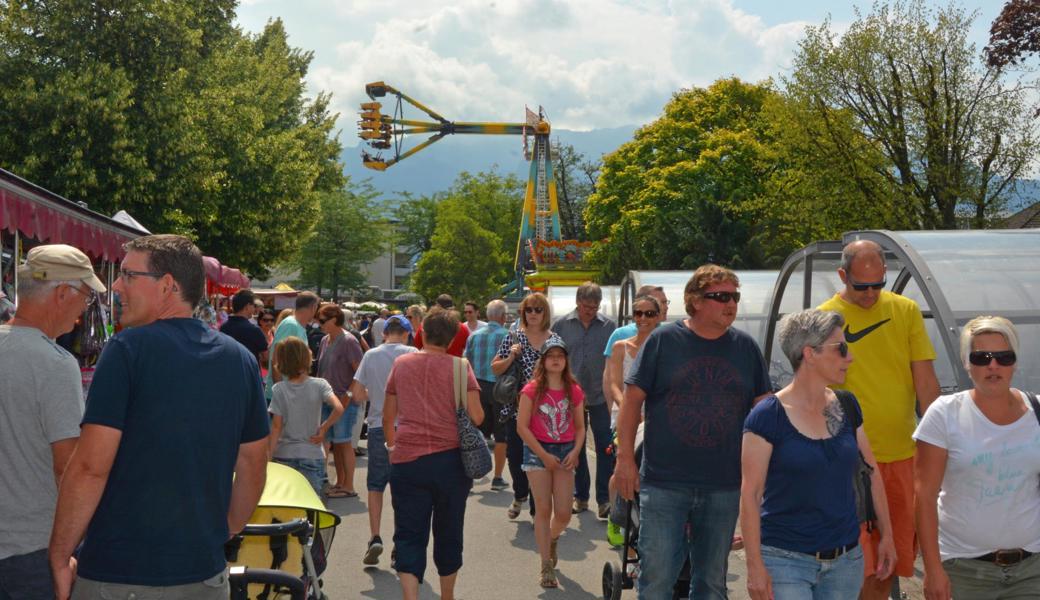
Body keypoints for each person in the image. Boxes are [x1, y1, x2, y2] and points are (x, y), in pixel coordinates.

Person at [49, 234, 269, 600]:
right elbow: (254, 462)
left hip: (121, 575)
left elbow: (90, 466)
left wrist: (59, 555)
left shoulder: (126, 350)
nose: (116, 286)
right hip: (204, 575)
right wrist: (224, 529)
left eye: (127, 275)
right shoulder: (241, 359)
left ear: (168, 285)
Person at [615, 264, 772, 599]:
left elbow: (764, 412)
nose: (731, 304)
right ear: (695, 300)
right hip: (663, 482)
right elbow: (631, 403)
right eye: (721, 296)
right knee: (656, 580)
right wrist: (625, 459)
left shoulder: (746, 348)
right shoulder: (663, 340)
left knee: (712, 583)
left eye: (735, 296)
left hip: (724, 485)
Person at [741, 309, 896, 600]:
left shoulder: (848, 406)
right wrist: (754, 567)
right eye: (841, 349)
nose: (849, 357)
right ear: (809, 354)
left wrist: (886, 536)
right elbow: (750, 495)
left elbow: (871, 472)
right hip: (785, 560)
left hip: (846, 561)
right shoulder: (767, 417)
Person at [818, 239, 940, 599]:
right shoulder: (825, 319)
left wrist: (940, 444)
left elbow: (926, 382)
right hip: (847, 462)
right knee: (852, 561)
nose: (871, 294)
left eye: (878, 285)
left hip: (902, 456)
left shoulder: (905, 310)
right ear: (842, 275)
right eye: (861, 286)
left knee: (891, 560)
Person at [0, 245, 104, 600]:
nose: (83, 311)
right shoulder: (55, 365)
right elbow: (69, 469)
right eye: (87, 298)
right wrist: (64, 555)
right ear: (63, 293)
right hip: (30, 553)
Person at [914, 316, 1040, 599]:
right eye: (981, 357)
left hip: (1032, 571)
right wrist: (933, 570)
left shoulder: (1037, 411)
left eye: (1003, 357)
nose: (993, 365)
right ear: (966, 363)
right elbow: (924, 496)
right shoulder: (944, 414)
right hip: (964, 571)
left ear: (1015, 363)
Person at [383, 308, 484, 600]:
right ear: (453, 338)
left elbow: (389, 417)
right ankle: (447, 596)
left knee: (408, 534)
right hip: (450, 462)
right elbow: (477, 416)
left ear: (422, 332)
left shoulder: (401, 364)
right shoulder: (460, 367)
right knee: (449, 532)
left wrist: (393, 447)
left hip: (408, 460)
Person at [517, 339, 586, 588]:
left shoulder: (573, 390)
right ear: (543, 361)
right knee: (543, 509)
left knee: (565, 513)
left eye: (560, 355)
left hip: (566, 450)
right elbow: (522, 427)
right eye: (551, 355)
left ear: (566, 360)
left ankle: (553, 538)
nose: (556, 359)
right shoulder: (532, 390)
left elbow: (580, 426)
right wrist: (543, 455)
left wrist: (577, 450)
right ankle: (546, 565)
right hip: (537, 451)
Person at [351, 315, 418, 566]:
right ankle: (399, 544)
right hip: (408, 427)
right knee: (405, 489)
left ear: (384, 333)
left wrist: (376, 394)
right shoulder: (413, 353)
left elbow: (357, 394)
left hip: (379, 426)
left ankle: (375, 536)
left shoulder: (371, 355)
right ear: (407, 333)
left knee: (376, 485)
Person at [493, 292, 563, 520]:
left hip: (545, 411)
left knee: (538, 461)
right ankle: (520, 493)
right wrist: (511, 357)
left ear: (545, 313)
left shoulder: (554, 340)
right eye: (528, 310)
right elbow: (495, 368)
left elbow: (563, 370)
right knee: (515, 457)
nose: (533, 314)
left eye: (538, 310)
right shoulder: (513, 338)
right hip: (516, 408)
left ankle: (537, 512)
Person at [551, 282, 616, 517]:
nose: (590, 310)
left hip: (600, 395)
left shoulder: (609, 326)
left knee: (605, 447)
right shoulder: (561, 325)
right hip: (571, 397)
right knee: (576, 449)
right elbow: (553, 358)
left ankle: (604, 499)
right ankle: (581, 496)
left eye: (595, 306)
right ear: (577, 302)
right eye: (586, 306)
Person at [269, 337, 344, 495]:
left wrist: (268, 457)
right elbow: (338, 408)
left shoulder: (278, 389)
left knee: (286, 508)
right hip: (312, 453)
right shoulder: (320, 384)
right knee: (311, 508)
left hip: (284, 454)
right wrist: (324, 428)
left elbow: (276, 427)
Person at [316, 303, 364, 498]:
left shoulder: (349, 341)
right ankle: (341, 482)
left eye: (322, 320)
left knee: (344, 443)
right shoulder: (325, 340)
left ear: (334, 320)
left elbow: (360, 372)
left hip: (344, 401)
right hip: (328, 400)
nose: (318, 324)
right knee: (336, 444)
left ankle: (349, 485)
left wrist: (348, 396)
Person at [464, 299, 511, 491]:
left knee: (476, 430)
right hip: (501, 388)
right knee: (501, 435)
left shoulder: (474, 336)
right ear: (503, 317)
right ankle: (497, 477)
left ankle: (471, 472)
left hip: (477, 387)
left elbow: (466, 362)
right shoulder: (509, 336)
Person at [266, 292, 320, 403]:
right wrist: (281, 392)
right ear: (313, 307)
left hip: (291, 393)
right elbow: (276, 359)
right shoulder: (291, 325)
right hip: (283, 396)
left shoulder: (298, 326)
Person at [220, 288, 269, 368]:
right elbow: (266, 357)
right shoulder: (254, 330)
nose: (255, 309)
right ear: (247, 306)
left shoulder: (223, 328)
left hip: (229, 372)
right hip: (249, 374)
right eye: (254, 305)